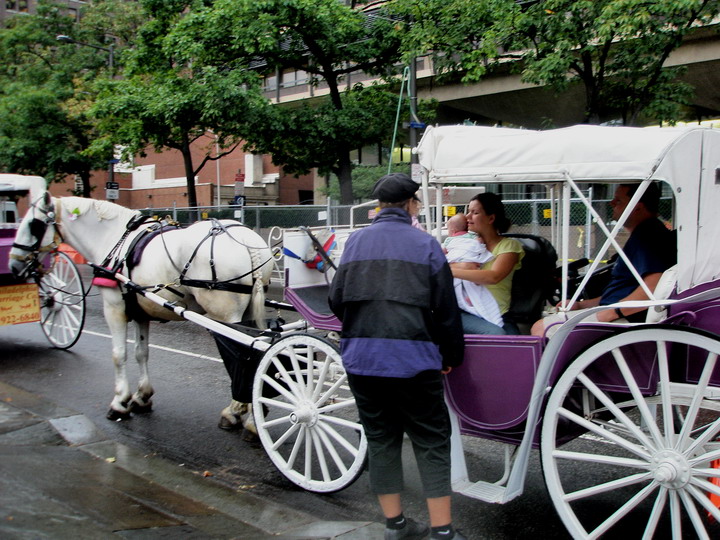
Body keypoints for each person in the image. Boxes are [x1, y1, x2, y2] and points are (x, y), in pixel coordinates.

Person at [328, 172, 466, 540]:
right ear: (411, 205)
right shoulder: (426, 245)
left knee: (381, 438)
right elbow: (446, 309)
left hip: (363, 360)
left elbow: (336, 301)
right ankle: (442, 532)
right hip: (415, 361)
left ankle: (396, 526)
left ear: (379, 206)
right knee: (431, 440)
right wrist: (451, 353)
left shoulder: (355, 243)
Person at [531, 182, 676, 337]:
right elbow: (619, 295)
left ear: (638, 207)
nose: (611, 203)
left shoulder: (648, 236)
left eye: (618, 200)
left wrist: (611, 313)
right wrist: (582, 304)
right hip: (618, 313)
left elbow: (652, 288)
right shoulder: (647, 232)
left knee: (541, 328)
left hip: (626, 319)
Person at [449, 193, 525, 335]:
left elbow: (493, 276)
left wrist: (449, 270)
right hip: (466, 310)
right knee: (497, 334)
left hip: (498, 313)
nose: (468, 217)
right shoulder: (464, 244)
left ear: (491, 218)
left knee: (514, 342)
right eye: (468, 212)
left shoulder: (509, 246)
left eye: (475, 212)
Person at [443, 213, 503, 328]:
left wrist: (451, 267)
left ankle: (466, 301)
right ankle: (470, 301)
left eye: (475, 212)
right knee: (471, 285)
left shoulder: (449, 240)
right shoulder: (473, 238)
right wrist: (464, 265)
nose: (469, 216)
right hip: (472, 262)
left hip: (459, 264)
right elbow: (479, 246)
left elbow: (442, 256)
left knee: (460, 284)